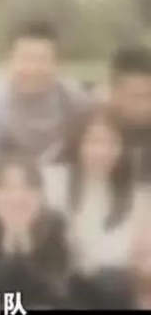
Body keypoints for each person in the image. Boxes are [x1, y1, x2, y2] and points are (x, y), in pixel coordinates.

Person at [0, 19, 88, 177]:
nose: (33, 69)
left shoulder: (72, 96)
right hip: (8, 179)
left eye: (42, 60)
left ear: (58, 64)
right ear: (9, 61)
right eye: (25, 59)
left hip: (59, 175)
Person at [42, 109, 136, 290]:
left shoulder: (136, 195)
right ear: (77, 143)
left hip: (110, 288)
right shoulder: (52, 181)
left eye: (112, 143)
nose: (102, 152)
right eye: (94, 142)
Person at [0, 154, 70, 309]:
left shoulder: (54, 225)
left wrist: (25, 245)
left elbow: (55, 291)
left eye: (27, 187)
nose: (17, 197)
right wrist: (8, 244)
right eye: (7, 188)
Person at [108, 45, 151, 183]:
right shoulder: (90, 131)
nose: (145, 105)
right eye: (136, 96)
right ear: (114, 93)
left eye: (149, 96)